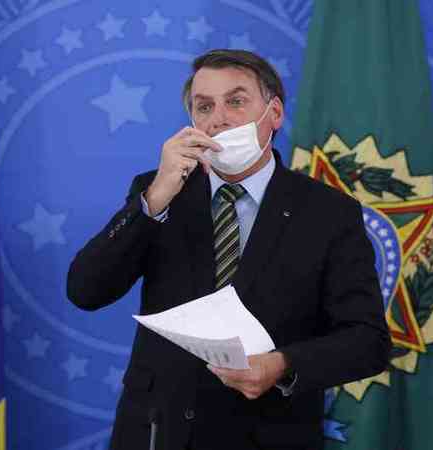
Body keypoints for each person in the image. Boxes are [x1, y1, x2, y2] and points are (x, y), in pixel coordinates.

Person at [67, 49, 390, 450]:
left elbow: (368, 340)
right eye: (204, 107)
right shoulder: (160, 191)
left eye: (236, 101)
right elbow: (85, 291)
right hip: (157, 432)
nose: (218, 118)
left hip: (268, 435)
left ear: (273, 115)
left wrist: (282, 365)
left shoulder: (327, 212)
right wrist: (154, 200)